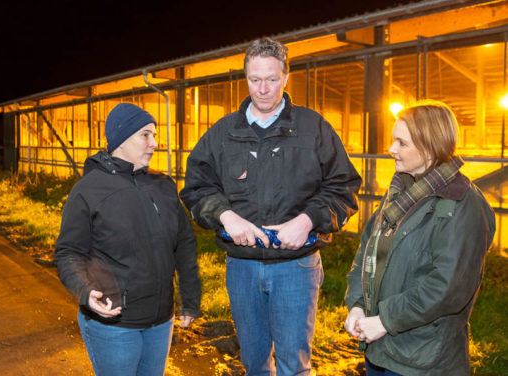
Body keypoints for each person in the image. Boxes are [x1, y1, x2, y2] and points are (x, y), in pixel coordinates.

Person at [180, 37, 362, 375]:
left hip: (297, 266)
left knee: (295, 365)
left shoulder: (313, 129)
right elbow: (195, 187)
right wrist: (225, 214)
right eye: (255, 79)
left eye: (272, 79)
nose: (263, 89)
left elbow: (345, 187)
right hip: (243, 266)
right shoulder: (223, 133)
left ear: (286, 77)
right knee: (253, 362)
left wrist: (307, 220)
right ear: (245, 77)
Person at [344, 101, 495, 376]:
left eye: (402, 143)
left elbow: (447, 288)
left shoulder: (462, 205)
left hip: (423, 360)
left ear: (429, 147)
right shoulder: (400, 191)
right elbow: (368, 250)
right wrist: (356, 305)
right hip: (380, 349)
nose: (391, 149)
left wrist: (385, 321)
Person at [55, 103, 201, 376]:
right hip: (113, 323)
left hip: (161, 321)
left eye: (154, 135)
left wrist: (190, 298)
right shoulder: (88, 190)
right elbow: (68, 253)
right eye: (145, 135)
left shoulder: (163, 185)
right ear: (121, 139)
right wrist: (85, 292)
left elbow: (184, 243)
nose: (154, 143)